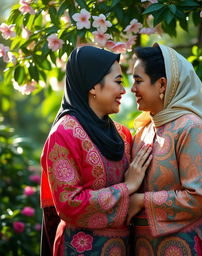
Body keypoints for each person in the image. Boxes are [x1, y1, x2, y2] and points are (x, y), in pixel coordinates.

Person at [40, 45, 152, 256]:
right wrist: (126, 188)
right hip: (80, 250)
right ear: (93, 85)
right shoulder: (64, 134)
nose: (123, 90)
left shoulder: (122, 135)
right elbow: (69, 204)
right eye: (118, 82)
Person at [128, 43, 202, 256]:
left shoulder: (191, 128)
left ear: (162, 84)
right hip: (144, 247)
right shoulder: (143, 131)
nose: (132, 89)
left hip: (184, 246)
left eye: (138, 81)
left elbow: (200, 197)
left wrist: (141, 201)